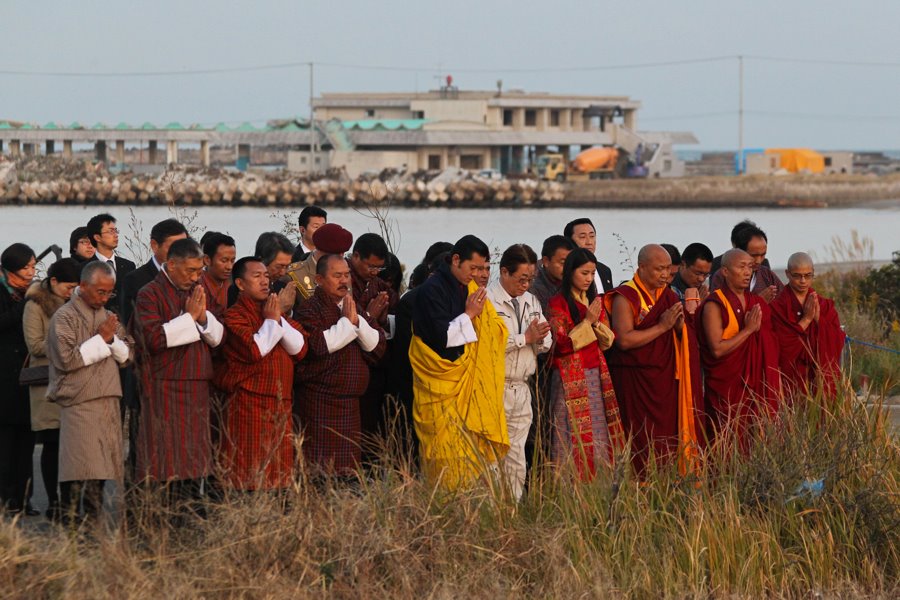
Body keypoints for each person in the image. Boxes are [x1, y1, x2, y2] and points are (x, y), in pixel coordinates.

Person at [410, 235, 509, 490]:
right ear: (455, 260)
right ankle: (442, 504)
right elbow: (441, 338)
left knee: (467, 455)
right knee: (444, 454)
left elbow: (493, 330)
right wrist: (470, 314)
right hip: (441, 383)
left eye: (483, 268)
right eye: (473, 268)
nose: (477, 275)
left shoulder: (469, 288)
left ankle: (466, 507)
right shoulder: (432, 290)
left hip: (466, 389)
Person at [132, 239, 224, 502]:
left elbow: (219, 337)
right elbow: (152, 339)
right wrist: (190, 318)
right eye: (190, 271)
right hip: (165, 388)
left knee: (195, 461)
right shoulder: (149, 293)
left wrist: (203, 318)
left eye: (199, 271)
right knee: (167, 461)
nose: (195, 277)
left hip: (198, 387)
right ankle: (165, 515)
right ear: (171, 265)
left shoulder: (198, 290)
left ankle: (191, 510)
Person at [604, 245, 702, 476]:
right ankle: (639, 485)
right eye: (659, 269)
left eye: (668, 269)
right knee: (640, 439)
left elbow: (682, 334)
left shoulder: (667, 296)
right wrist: (663, 326)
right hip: (636, 381)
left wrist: (680, 327)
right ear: (642, 267)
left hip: (664, 381)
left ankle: (666, 483)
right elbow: (624, 340)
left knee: (666, 439)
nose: (665, 275)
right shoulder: (625, 297)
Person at [46, 261, 132, 525]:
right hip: (79, 401)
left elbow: (128, 355)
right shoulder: (64, 316)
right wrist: (102, 339)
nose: (105, 298)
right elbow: (67, 360)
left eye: (109, 293)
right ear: (83, 286)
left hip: (108, 399)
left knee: (102, 466)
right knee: (78, 466)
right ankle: (70, 517)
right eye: (100, 292)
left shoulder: (108, 317)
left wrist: (111, 338)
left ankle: (93, 518)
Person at [215, 257, 308, 490]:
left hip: (280, 404)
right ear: (240, 284)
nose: (265, 281)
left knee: (279, 475)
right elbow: (255, 349)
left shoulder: (273, 311)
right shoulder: (234, 316)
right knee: (248, 474)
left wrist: (277, 318)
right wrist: (273, 320)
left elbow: (300, 348)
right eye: (257, 276)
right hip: (248, 405)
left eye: (266, 276)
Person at [294, 254, 386, 478]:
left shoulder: (352, 306)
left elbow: (378, 345)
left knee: (348, 474)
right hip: (320, 403)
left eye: (346, 275)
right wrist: (348, 323)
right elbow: (319, 346)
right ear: (319, 279)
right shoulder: (309, 309)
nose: (344, 281)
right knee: (321, 472)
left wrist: (357, 321)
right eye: (337, 276)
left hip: (351, 405)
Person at [546, 248, 625, 480]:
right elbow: (561, 344)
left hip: (595, 372)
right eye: (584, 273)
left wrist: (594, 323)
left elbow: (608, 340)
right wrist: (588, 322)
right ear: (570, 272)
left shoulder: (593, 301)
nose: (589, 278)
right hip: (569, 376)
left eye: (592, 273)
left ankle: (599, 483)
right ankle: (568, 485)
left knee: (599, 432)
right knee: (568, 432)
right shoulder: (558, 303)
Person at [486, 244, 551, 499]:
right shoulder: (488, 300)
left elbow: (545, 341)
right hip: (495, 386)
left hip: (522, 387)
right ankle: (489, 510)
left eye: (531, 279)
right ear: (504, 272)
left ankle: (512, 510)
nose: (526, 285)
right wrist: (525, 338)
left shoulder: (531, 300)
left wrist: (538, 339)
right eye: (521, 279)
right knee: (491, 456)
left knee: (517, 457)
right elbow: (488, 344)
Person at [698, 249, 781, 444]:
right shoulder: (714, 304)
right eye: (741, 267)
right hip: (726, 389)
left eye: (750, 267)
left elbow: (769, 348)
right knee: (726, 440)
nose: (747, 272)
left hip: (756, 389)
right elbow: (717, 350)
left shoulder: (756, 303)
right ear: (725, 271)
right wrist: (748, 330)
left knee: (755, 441)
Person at [22, 258, 80, 520]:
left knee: (71, 447)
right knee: (52, 444)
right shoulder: (35, 305)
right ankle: (54, 502)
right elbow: (34, 345)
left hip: (73, 382)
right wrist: (66, 344)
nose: (71, 292)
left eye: (75, 287)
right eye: (68, 287)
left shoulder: (76, 303)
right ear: (54, 281)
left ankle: (68, 503)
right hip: (47, 385)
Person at [348, 233, 399, 462]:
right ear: (355, 256)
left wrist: (384, 319)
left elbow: (396, 312)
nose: (375, 272)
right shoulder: (345, 281)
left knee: (373, 428)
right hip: (352, 364)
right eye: (371, 266)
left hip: (376, 369)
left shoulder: (378, 286)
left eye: (379, 267)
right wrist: (369, 315)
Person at [770, 252, 845, 398]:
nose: (803, 281)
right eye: (797, 276)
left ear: (813, 273)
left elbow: (837, 339)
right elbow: (779, 347)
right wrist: (806, 320)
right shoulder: (777, 307)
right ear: (787, 274)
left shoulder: (824, 305)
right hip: (791, 378)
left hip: (819, 376)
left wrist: (818, 319)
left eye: (808, 275)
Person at [0, 243, 39, 515]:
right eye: (26, 267)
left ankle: (25, 499)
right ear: (11, 270)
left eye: (33, 266)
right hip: (4, 377)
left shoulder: (32, 293)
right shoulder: (6, 293)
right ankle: (5, 498)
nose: (31, 272)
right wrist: (24, 305)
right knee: (5, 442)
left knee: (26, 440)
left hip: (27, 376)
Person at [120, 218, 188, 325]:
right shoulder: (135, 280)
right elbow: (131, 324)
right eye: (174, 248)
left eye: (185, 248)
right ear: (154, 245)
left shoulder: (192, 278)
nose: (181, 254)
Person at [282, 223, 354, 312]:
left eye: (342, 254)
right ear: (321, 251)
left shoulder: (346, 270)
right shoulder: (293, 275)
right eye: (336, 254)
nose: (341, 258)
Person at [710, 222, 783, 302]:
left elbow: (784, 300)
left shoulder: (767, 274)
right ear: (740, 251)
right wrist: (759, 301)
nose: (758, 261)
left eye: (763, 255)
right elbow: (720, 306)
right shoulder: (723, 276)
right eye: (753, 255)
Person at [86, 213, 136, 311]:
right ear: (97, 237)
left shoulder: (129, 266)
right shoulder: (85, 268)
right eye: (110, 231)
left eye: (115, 231)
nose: (116, 235)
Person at [563, 218, 614, 293]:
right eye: (582, 237)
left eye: (592, 236)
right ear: (569, 241)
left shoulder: (604, 270)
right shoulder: (564, 270)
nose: (589, 242)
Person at [531, 235, 576, 315]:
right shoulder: (533, 288)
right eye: (563, 263)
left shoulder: (577, 281)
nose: (568, 268)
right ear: (546, 261)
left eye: (571, 263)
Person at [200, 232, 236, 320]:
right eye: (224, 261)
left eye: (232, 261)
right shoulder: (197, 284)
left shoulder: (235, 283)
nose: (229, 267)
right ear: (207, 260)